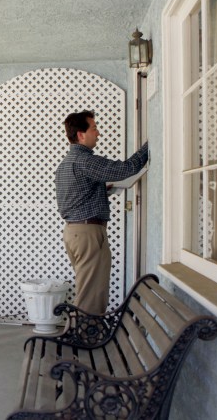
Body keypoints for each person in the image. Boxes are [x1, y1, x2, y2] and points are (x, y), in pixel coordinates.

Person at [54, 110, 149, 314]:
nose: (98, 133)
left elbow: (76, 195)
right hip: (88, 234)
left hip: (74, 233)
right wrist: (150, 145)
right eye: (94, 128)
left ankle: (81, 329)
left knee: (87, 290)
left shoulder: (66, 164)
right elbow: (127, 169)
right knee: (92, 295)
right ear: (81, 135)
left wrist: (101, 189)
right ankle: (83, 332)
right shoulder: (85, 161)